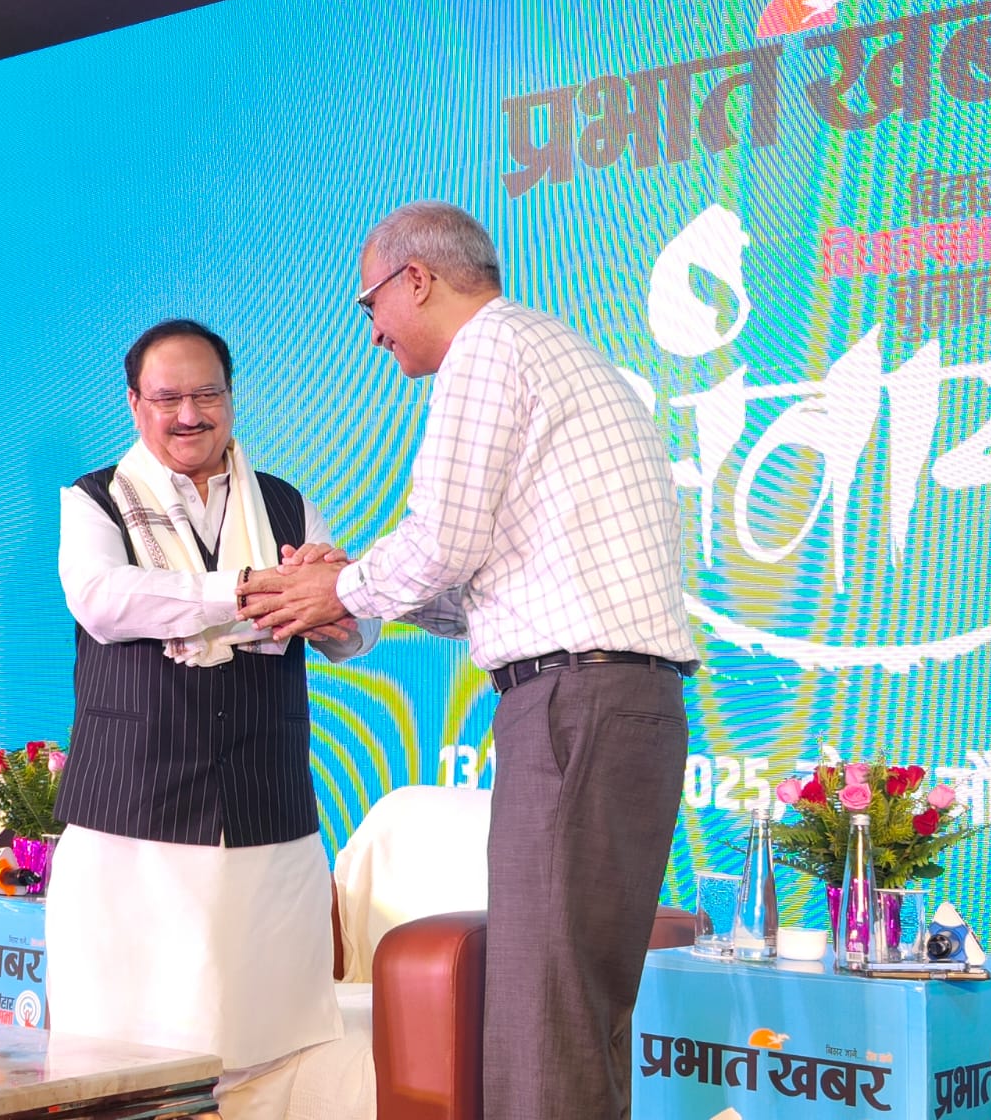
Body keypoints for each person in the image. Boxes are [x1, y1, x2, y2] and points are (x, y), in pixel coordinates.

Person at [235, 202, 699, 1120]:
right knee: (581, 1014)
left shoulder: (487, 349)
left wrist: (338, 588)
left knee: (540, 1013)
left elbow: (442, 541)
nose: (373, 332)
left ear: (417, 279)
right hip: (621, 704)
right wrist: (355, 583)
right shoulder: (553, 351)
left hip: (573, 706)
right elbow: (478, 584)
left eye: (370, 303)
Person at [47, 319, 378, 1120]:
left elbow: (353, 626)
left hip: (265, 812)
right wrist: (243, 591)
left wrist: (333, 612)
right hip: (135, 819)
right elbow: (103, 600)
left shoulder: (287, 503)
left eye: (207, 395)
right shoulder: (93, 500)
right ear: (135, 404)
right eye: (168, 399)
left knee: (269, 1044)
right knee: (125, 1048)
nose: (189, 415)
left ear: (232, 398)